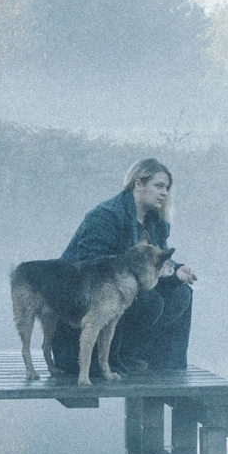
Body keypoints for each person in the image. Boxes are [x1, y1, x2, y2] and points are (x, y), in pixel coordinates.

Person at [58, 158, 198, 374]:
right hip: (85, 301)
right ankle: (105, 360)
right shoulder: (105, 216)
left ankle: (167, 366)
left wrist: (176, 269)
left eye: (167, 188)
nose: (164, 193)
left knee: (181, 294)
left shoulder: (157, 222)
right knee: (148, 300)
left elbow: (155, 260)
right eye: (159, 186)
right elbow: (89, 268)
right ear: (138, 184)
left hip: (126, 289)